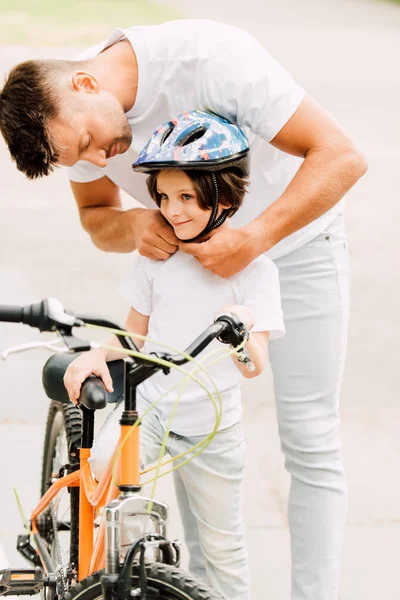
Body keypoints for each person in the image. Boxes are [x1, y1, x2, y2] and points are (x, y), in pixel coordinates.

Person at [0, 19, 367, 600]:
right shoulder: (66, 120)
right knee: (191, 428)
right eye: (81, 156)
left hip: (296, 246)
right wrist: (136, 224)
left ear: (87, 84)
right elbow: (98, 218)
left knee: (309, 439)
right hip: (186, 270)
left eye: (91, 142)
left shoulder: (210, 58)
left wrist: (253, 241)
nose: (98, 158)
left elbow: (342, 157)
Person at [63, 111, 285, 600]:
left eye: (187, 197)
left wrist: (241, 336)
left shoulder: (255, 272)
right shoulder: (158, 257)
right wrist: (96, 355)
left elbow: (254, 368)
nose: (174, 210)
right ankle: (102, 579)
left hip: (214, 426)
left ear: (223, 198)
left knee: (224, 548)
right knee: (101, 476)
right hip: (152, 412)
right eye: (164, 197)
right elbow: (133, 335)